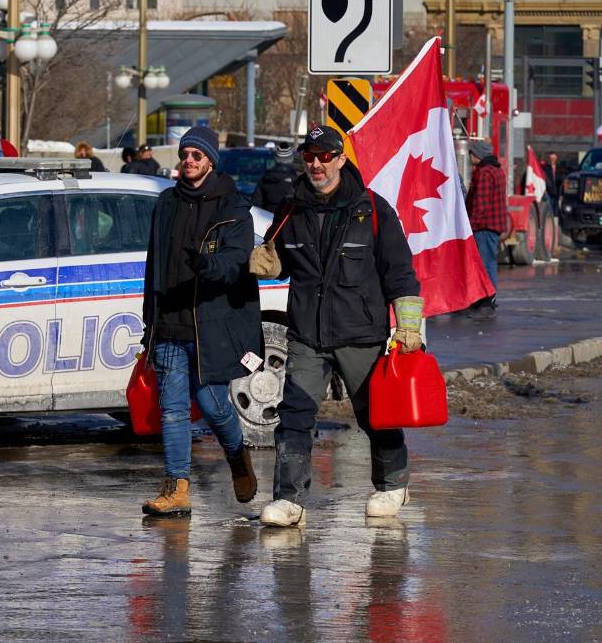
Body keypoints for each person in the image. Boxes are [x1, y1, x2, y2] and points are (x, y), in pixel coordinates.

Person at [249, 124, 423, 527]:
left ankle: (392, 484)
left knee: (375, 414)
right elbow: (282, 262)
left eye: (326, 156)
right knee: (295, 414)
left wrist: (409, 327)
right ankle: (290, 501)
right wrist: (270, 265)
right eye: (310, 157)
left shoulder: (373, 210)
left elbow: (400, 273)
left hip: (360, 332)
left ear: (341, 160)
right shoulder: (290, 209)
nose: (317, 164)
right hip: (308, 332)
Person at [141, 126, 262, 517]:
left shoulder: (232, 207)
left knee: (212, 404)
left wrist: (207, 265)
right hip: (169, 323)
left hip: (210, 325)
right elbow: (153, 267)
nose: (189, 161)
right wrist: (150, 322)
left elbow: (235, 264)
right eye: (185, 154)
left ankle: (236, 452)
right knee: (173, 409)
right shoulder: (166, 203)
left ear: (210, 160)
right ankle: (176, 488)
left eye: (197, 155)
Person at [466, 140, 505, 316]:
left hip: (484, 226)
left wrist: (471, 226)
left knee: (485, 263)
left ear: (478, 155)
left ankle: (488, 299)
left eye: (471, 154)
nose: (469, 157)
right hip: (493, 224)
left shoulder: (483, 173)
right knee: (487, 262)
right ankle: (485, 297)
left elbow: (480, 203)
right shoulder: (496, 170)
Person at [251, 142, 298, 212]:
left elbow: (255, 206)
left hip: (267, 220)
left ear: (276, 159)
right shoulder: (298, 181)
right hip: (290, 220)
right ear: (291, 159)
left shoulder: (264, 179)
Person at [543, 152, 566, 216]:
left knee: (556, 210)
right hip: (548, 191)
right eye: (551, 158)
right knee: (549, 209)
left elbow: (563, 177)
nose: (552, 159)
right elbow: (544, 178)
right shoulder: (545, 168)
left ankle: (555, 224)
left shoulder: (560, 168)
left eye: (554, 158)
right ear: (549, 158)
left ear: (556, 158)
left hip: (557, 191)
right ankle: (549, 222)